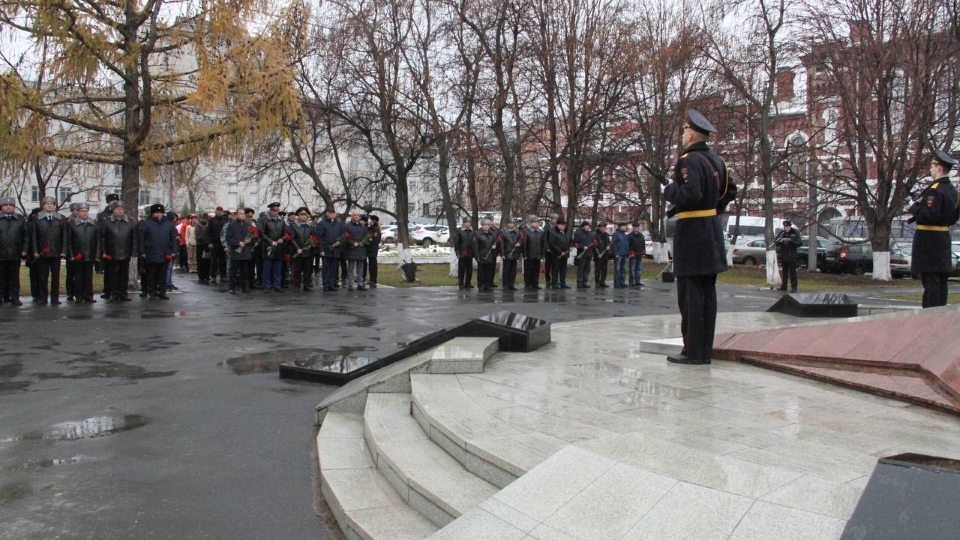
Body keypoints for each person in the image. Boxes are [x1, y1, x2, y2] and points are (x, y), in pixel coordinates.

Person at [663, 110, 733, 365]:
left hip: (693, 233)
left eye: (684, 132)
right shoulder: (717, 162)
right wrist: (712, 207)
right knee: (707, 295)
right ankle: (704, 350)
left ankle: (692, 351)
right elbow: (729, 191)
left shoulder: (689, 160)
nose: (682, 136)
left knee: (690, 297)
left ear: (691, 135)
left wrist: (668, 190)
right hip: (711, 230)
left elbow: (689, 194)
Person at [909, 150, 960, 308]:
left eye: (932, 166)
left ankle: (930, 317)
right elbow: (954, 216)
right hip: (943, 239)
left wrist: (913, 207)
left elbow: (928, 216)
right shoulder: (953, 191)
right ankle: (940, 316)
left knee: (930, 284)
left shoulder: (935, 189)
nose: (930, 169)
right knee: (940, 282)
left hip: (928, 242)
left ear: (939, 168)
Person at [138, 204, 178, 299]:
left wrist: (174, 250)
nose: (158, 215)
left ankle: (162, 292)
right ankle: (152, 291)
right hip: (151, 253)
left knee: (163, 275)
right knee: (151, 274)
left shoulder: (168, 224)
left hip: (165, 253)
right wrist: (142, 252)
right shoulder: (146, 224)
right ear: (152, 213)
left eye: (160, 213)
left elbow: (173, 238)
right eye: (156, 213)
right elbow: (141, 239)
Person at [99, 201, 137, 301]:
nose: (119, 211)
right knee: (113, 274)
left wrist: (133, 251)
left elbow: (134, 238)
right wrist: (103, 251)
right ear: (113, 210)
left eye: (121, 209)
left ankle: (123, 293)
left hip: (125, 252)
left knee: (124, 274)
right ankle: (114, 293)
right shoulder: (106, 222)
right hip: (111, 253)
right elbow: (102, 238)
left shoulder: (130, 221)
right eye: (117, 209)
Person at [31, 196, 66, 305]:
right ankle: (43, 298)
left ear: (54, 206)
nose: (49, 205)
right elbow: (33, 236)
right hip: (43, 253)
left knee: (55, 278)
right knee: (42, 277)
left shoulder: (61, 218)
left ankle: (55, 298)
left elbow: (65, 236)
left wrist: (63, 250)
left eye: (51, 204)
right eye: (47, 204)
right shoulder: (36, 218)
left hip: (56, 252)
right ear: (43, 205)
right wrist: (35, 251)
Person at [65, 202, 99, 303]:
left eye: (86, 211)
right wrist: (71, 255)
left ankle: (88, 295)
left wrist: (97, 255)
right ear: (78, 212)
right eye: (82, 211)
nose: (84, 213)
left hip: (89, 255)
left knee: (88, 277)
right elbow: (69, 241)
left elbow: (98, 241)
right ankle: (78, 296)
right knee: (78, 277)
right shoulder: (72, 224)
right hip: (77, 255)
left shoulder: (93, 224)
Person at [0, 197, 28, 306]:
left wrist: (24, 250)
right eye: (6, 205)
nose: (8, 207)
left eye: (11, 205)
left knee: (14, 278)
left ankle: (14, 297)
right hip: (1, 253)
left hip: (15, 253)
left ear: (14, 207)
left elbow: (26, 236)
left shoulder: (20, 219)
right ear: (2, 207)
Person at [259, 202, 289, 293]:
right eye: (274, 210)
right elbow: (262, 233)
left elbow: (286, 233)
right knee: (267, 268)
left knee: (277, 268)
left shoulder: (281, 221)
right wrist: (270, 241)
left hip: (278, 248)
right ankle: (267, 286)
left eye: (277, 210)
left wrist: (282, 239)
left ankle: (277, 285)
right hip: (268, 247)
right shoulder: (264, 220)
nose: (276, 212)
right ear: (270, 211)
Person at [225, 208, 255, 293]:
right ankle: (232, 287)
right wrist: (238, 243)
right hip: (236, 252)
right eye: (241, 213)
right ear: (237, 215)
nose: (243, 215)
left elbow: (253, 237)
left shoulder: (248, 225)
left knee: (244, 271)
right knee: (233, 271)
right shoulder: (232, 225)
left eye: (243, 213)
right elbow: (229, 238)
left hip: (246, 252)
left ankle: (244, 287)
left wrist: (250, 240)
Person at [317, 207, 344, 292]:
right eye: (330, 212)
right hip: (326, 249)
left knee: (334, 268)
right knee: (326, 268)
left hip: (336, 249)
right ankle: (325, 284)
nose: (332, 214)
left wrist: (340, 242)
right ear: (327, 214)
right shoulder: (322, 223)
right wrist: (321, 250)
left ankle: (331, 284)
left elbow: (341, 235)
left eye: (333, 213)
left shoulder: (338, 224)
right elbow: (319, 238)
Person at [289, 207, 315, 291]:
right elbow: (292, 239)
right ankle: (297, 285)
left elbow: (312, 237)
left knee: (307, 269)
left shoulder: (309, 226)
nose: (304, 217)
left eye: (306, 215)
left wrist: (311, 244)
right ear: (298, 215)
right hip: (298, 252)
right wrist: (297, 248)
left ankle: (306, 285)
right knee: (297, 269)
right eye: (302, 215)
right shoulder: (294, 225)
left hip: (307, 252)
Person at [343, 209, 368, 291]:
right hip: (351, 250)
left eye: (358, 215)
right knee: (350, 268)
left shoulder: (363, 226)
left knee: (360, 268)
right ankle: (350, 284)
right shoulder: (347, 226)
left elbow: (366, 237)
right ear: (352, 216)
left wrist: (363, 242)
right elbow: (345, 238)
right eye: (355, 215)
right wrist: (353, 243)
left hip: (361, 250)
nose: (356, 217)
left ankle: (360, 284)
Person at [775, 220, 801, 292]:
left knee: (792, 272)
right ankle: (784, 286)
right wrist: (779, 242)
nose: (785, 228)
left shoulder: (795, 233)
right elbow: (776, 241)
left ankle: (794, 287)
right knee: (784, 272)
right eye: (785, 227)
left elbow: (799, 243)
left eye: (787, 227)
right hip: (784, 255)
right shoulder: (782, 233)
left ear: (790, 226)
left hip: (792, 256)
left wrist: (792, 242)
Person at [546, 218, 571, 288]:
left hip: (565, 254)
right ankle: (555, 283)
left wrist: (570, 246)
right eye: (561, 225)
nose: (562, 226)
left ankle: (563, 282)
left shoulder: (566, 233)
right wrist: (560, 251)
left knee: (563, 269)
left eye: (563, 225)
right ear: (557, 225)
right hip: (557, 254)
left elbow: (570, 241)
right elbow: (552, 243)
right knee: (555, 269)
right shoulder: (553, 233)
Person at [474, 218, 498, 292]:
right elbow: (475, 247)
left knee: (488, 272)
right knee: (481, 272)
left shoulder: (491, 234)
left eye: (488, 225)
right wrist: (477, 257)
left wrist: (495, 245)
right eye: (485, 225)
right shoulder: (478, 234)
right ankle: (480, 285)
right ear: (482, 225)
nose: (487, 226)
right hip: (482, 256)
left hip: (490, 256)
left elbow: (495, 241)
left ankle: (487, 285)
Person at [206, 206, 228, 284]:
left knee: (223, 260)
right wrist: (209, 242)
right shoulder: (211, 221)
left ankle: (223, 275)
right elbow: (208, 232)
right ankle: (213, 276)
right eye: (218, 210)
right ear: (215, 211)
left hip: (223, 243)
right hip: (214, 243)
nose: (219, 212)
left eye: (221, 211)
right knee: (214, 260)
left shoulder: (225, 221)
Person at [499, 218, 522, 290]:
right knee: (506, 270)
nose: (512, 224)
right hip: (507, 253)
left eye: (513, 223)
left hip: (515, 253)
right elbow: (501, 244)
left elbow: (520, 239)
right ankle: (505, 285)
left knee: (513, 271)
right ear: (507, 224)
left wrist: (519, 243)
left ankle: (511, 284)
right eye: (510, 223)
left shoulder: (517, 232)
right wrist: (502, 254)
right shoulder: (503, 232)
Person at [522, 216, 544, 290]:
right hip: (529, 254)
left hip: (538, 254)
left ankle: (535, 283)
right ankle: (528, 283)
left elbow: (542, 243)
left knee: (536, 270)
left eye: (537, 222)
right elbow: (524, 244)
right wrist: (524, 254)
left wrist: (542, 254)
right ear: (530, 223)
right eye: (534, 222)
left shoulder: (540, 232)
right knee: (528, 270)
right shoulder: (526, 232)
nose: (536, 224)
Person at [453, 217, 476, 290]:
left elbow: (474, 242)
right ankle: (461, 283)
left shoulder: (472, 231)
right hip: (462, 253)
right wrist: (458, 253)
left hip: (470, 253)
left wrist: (474, 253)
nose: (468, 224)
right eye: (466, 222)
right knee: (462, 269)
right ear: (464, 223)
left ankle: (468, 283)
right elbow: (456, 243)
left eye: (469, 222)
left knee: (469, 269)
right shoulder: (459, 231)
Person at [572, 221, 595, 288]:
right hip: (581, 254)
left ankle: (585, 282)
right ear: (583, 226)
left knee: (587, 269)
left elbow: (592, 243)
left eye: (588, 226)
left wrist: (592, 253)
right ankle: (579, 282)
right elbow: (575, 243)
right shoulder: (578, 233)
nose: (588, 227)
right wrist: (582, 247)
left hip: (589, 254)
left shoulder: (590, 234)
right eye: (586, 226)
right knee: (581, 268)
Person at [364, 215, 381, 288]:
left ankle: (373, 279)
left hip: (373, 249)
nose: (369, 221)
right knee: (371, 264)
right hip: (369, 248)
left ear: (373, 221)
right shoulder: (370, 228)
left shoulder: (375, 229)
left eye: (370, 220)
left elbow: (376, 240)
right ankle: (371, 279)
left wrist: (368, 242)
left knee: (373, 265)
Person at [627, 222, 646, 287]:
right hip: (633, 255)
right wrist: (630, 253)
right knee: (632, 269)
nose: (636, 229)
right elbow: (628, 246)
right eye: (635, 227)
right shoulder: (629, 236)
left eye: (637, 227)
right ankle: (631, 282)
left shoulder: (641, 235)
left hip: (640, 254)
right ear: (633, 228)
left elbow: (643, 244)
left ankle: (637, 281)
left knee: (639, 269)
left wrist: (644, 251)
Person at [611, 222, 630, 288]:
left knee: (623, 269)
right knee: (617, 269)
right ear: (620, 227)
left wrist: (628, 253)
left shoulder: (625, 235)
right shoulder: (615, 234)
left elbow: (627, 245)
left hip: (625, 254)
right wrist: (615, 253)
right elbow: (613, 244)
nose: (626, 227)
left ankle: (622, 282)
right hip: (619, 254)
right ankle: (617, 283)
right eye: (625, 226)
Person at [593, 222, 611, 287]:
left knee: (604, 269)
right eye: (603, 227)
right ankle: (597, 282)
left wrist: (609, 247)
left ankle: (602, 281)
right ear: (599, 228)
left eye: (605, 227)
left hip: (605, 255)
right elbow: (594, 246)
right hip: (599, 255)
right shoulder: (596, 235)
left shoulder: (606, 235)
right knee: (598, 269)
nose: (604, 228)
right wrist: (598, 253)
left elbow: (608, 242)